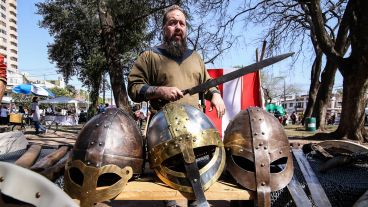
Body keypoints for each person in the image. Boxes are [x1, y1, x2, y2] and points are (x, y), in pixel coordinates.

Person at [128, 5, 226, 207]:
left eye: (182, 23)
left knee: (197, 186)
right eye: (172, 22)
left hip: (196, 134)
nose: (178, 27)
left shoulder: (195, 58)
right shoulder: (150, 57)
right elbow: (134, 87)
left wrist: (215, 95)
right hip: (164, 137)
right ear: (164, 28)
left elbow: (207, 84)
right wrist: (158, 90)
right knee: (169, 188)